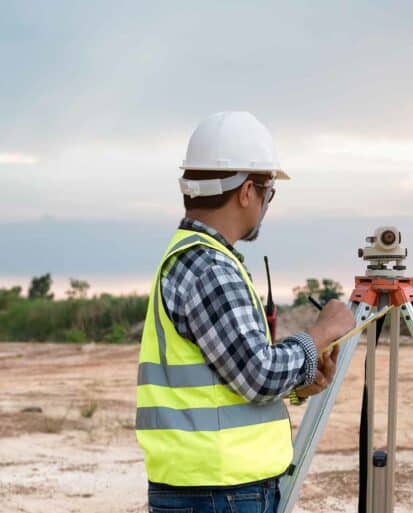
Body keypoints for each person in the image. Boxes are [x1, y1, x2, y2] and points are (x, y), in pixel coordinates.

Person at [135, 111, 354, 513]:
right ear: (247, 191)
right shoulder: (210, 267)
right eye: (269, 193)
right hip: (221, 493)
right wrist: (324, 330)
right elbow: (259, 374)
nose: (267, 205)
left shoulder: (198, 259)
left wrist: (298, 384)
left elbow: (229, 379)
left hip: (210, 488)